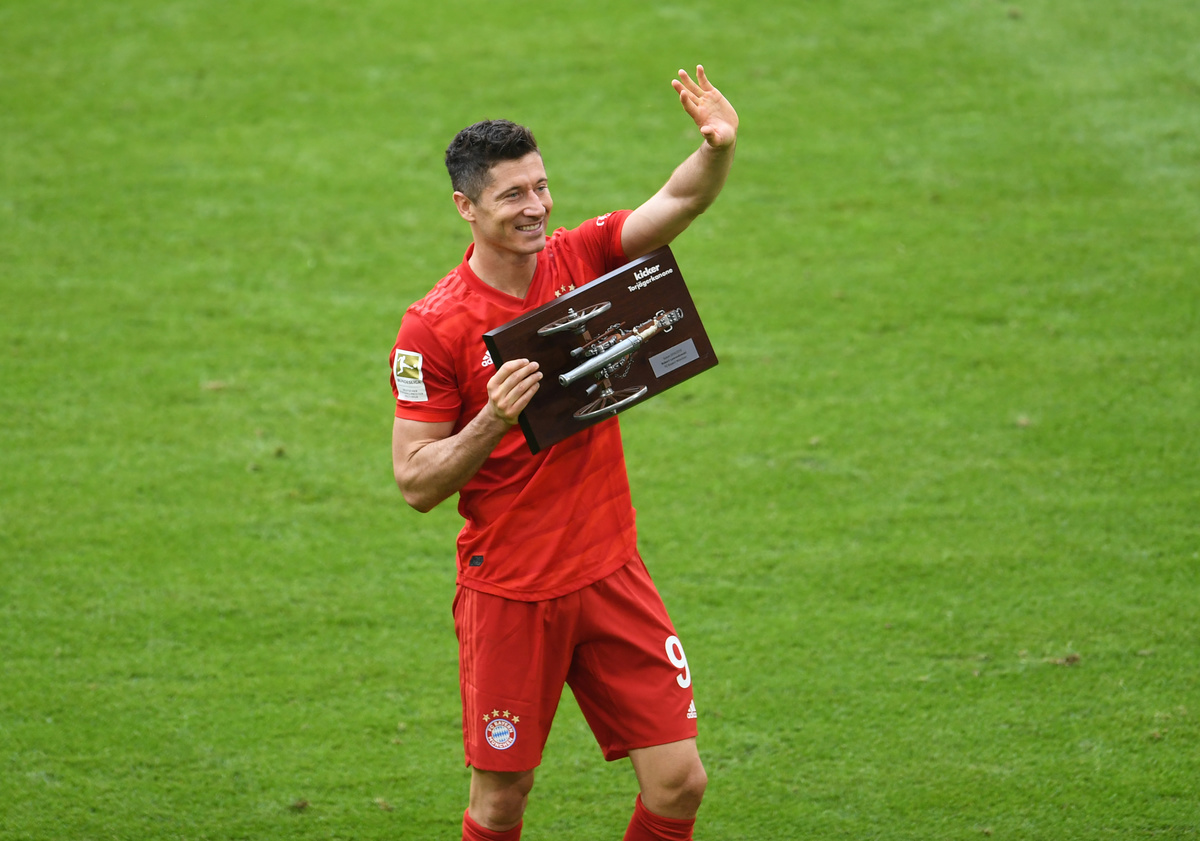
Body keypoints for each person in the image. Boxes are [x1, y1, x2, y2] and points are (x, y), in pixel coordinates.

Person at [389, 65, 738, 841]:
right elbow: (415, 482)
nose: (536, 206)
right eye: (513, 194)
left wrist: (716, 148)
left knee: (680, 782)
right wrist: (492, 420)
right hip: (512, 593)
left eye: (541, 186)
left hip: (611, 570)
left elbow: (677, 202)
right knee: (501, 802)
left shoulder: (581, 257)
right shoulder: (433, 328)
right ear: (466, 206)